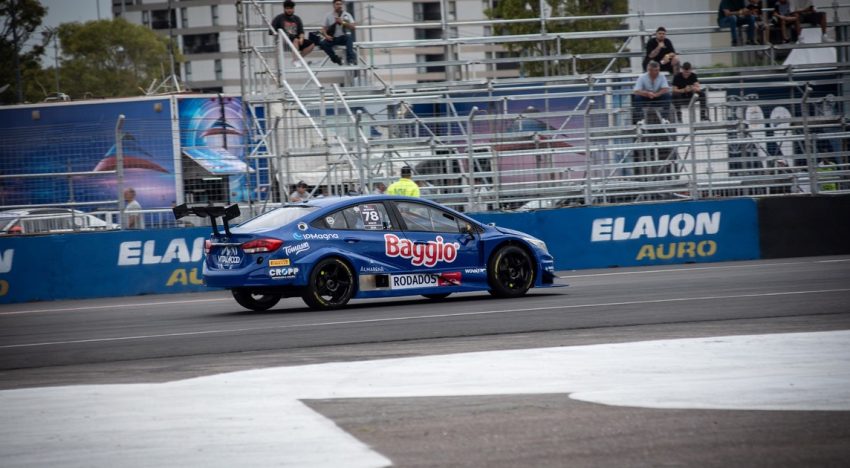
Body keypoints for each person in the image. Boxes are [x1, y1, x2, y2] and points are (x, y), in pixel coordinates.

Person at [271, 0, 315, 66]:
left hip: (295, 40)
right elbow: (272, 31)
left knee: (311, 44)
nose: (289, 10)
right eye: (287, 8)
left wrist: (302, 38)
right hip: (284, 41)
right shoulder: (279, 18)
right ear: (284, 9)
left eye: (291, 8)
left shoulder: (297, 18)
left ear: (293, 9)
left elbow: (301, 31)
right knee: (295, 40)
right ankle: (295, 61)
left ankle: (298, 59)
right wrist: (280, 37)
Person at [319, 0, 357, 66]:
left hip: (343, 37)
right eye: (337, 4)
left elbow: (353, 27)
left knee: (349, 37)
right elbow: (323, 29)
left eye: (340, 4)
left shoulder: (346, 14)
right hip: (332, 38)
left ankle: (351, 59)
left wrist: (343, 22)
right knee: (322, 43)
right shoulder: (328, 15)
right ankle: (336, 59)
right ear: (333, 5)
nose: (339, 6)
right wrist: (326, 36)